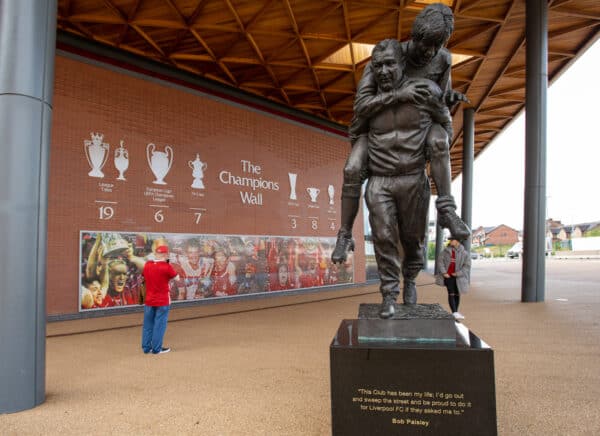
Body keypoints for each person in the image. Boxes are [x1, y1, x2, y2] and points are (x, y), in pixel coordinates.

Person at [331, 2, 470, 265]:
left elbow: (439, 101)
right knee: (351, 169)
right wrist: (399, 94)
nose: (428, 53)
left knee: (439, 141)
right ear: (413, 38)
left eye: (435, 47)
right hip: (374, 128)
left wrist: (447, 99)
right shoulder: (389, 58)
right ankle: (345, 234)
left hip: (419, 125)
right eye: (424, 46)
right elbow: (360, 107)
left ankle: (447, 209)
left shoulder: (443, 59)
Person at [356, 38, 456, 318]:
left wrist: (438, 125)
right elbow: (357, 121)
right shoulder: (370, 102)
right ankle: (388, 293)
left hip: (413, 177)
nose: (384, 71)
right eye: (379, 66)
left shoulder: (426, 90)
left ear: (402, 64)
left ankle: (410, 278)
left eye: (390, 64)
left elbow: (445, 128)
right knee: (384, 236)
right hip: (380, 179)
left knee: (413, 239)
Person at [141, 244, 178, 354]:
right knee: (159, 325)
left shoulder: (147, 265)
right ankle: (157, 349)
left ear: (156, 254)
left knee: (147, 325)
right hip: (162, 301)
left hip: (149, 300)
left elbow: (144, 275)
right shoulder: (167, 267)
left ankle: (146, 348)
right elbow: (177, 277)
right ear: (166, 255)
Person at [435, 236, 471, 320]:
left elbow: (467, 266)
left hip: (458, 277)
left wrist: (458, 273)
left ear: (457, 241)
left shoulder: (465, 253)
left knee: (457, 293)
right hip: (448, 276)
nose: (450, 241)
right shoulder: (445, 251)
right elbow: (440, 262)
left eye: (452, 240)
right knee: (451, 293)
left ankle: (456, 312)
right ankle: (454, 312)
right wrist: (444, 273)